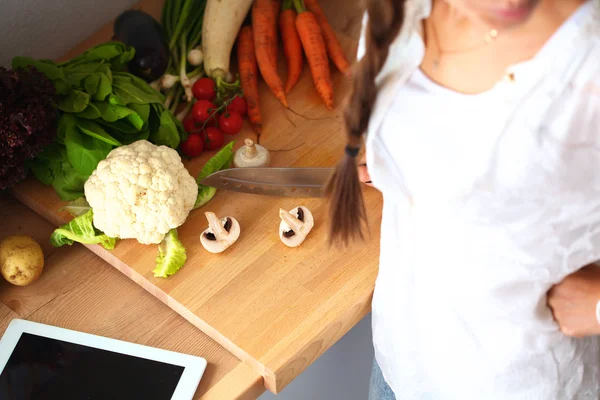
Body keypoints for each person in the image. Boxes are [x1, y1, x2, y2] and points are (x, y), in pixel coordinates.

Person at [325, 0, 600, 399]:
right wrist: (400, 157)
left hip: (521, 384)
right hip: (401, 371)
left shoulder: (588, 68)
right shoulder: (401, 12)